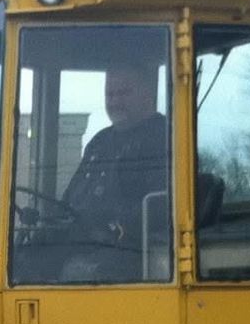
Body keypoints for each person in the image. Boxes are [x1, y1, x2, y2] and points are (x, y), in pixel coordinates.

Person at [61, 64, 169, 243]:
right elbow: (69, 199)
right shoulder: (99, 142)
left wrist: (106, 222)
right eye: (110, 95)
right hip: (81, 241)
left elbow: (160, 209)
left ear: (147, 94)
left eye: (124, 93)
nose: (115, 102)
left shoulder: (164, 138)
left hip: (129, 250)